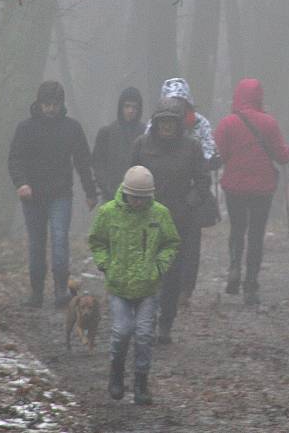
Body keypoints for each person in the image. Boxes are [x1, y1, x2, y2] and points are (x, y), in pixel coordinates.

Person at [88, 165, 180, 405]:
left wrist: (160, 266)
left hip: (148, 287)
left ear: (150, 195)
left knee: (144, 335)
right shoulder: (108, 212)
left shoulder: (160, 214)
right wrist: (105, 264)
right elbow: (97, 241)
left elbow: (171, 243)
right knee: (121, 332)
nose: (138, 202)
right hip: (118, 286)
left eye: (143, 198)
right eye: (134, 197)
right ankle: (116, 373)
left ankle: (141, 382)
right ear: (125, 192)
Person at [8, 80, 97, 308]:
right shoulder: (25, 129)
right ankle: (36, 292)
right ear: (39, 104)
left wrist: (90, 191)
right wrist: (21, 183)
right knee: (37, 245)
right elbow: (15, 159)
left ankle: (60, 290)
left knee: (59, 242)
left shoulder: (71, 128)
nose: (50, 109)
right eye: (46, 104)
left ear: (61, 104)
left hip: (60, 195)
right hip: (32, 196)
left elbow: (82, 161)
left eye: (54, 104)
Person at [131, 97, 210, 344]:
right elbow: (129, 178)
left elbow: (202, 181)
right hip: (145, 216)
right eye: (163, 122)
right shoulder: (141, 145)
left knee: (172, 275)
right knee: (146, 274)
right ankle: (146, 320)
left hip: (178, 219)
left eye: (171, 123)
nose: (167, 127)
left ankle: (165, 323)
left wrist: (191, 201)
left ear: (178, 125)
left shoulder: (191, 147)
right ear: (156, 123)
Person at [214, 78, 289, 305]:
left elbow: (219, 155)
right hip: (262, 188)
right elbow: (282, 156)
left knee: (237, 229)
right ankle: (251, 284)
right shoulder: (269, 123)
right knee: (256, 233)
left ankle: (235, 266)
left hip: (235, 186)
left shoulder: (227, 123)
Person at [157, 78, 221, 306]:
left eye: (180, 101)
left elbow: (210, 150)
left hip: (192, 192)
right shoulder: (155, 125)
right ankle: (163, 285)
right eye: (172, 101)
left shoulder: (200, 124)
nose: (177, 106)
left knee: (191, 246)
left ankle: (185, 289)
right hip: (163, 192)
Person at [92, 87, 146, 201]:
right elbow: (98, 163)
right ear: (120, 107)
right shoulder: (106, 133)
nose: (130, 111)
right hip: (110, 196)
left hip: (139, 197)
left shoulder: (146, 134)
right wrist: (106, 186)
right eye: (127, 106)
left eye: (134, 107)